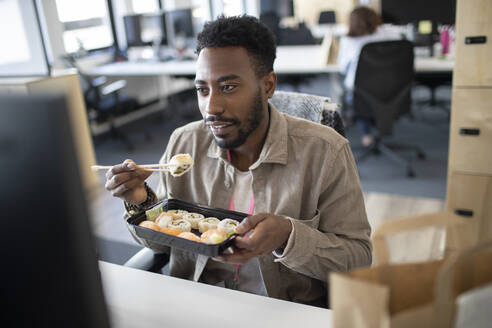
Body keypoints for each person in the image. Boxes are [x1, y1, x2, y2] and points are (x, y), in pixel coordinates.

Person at [105, 15, 371, 307]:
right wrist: (140, 202)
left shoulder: (325, 151)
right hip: (199, 303)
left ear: (268, 85)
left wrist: (289, 237)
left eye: (228, 87)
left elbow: (357, 259)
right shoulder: (184, 142)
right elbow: (163, 243)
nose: (211, 107)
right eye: (202, 89)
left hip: (284, 311)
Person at [337, 6, 401, 146]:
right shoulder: (391, 34)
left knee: (356, 92)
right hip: (392, 89)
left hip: (362, 93)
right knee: (372, 94)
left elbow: (342, 68)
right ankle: (380, 126)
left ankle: (366, 134)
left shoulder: (348, 41)